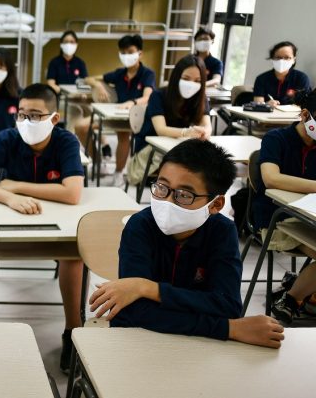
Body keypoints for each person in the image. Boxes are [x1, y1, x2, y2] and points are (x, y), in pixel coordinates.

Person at [90, 139, 285, 349]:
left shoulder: (222, 231)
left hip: (201, 348)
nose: (167, 202)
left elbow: (227, 306)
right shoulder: (140, 226)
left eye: (184, 195)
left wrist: (148, 288)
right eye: (162, 187)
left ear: (216, 204)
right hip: (137, 342)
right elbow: (136, 313)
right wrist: (229, 329)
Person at [0, 83, 84, 371]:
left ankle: (72, 332)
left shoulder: (65, 142)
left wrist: (16, 186)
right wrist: (8, 198)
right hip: (12, 221)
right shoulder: (7, 138)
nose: (27, 122)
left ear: (54, 118)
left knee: (75, 250)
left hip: (55, 223)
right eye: (22, 114)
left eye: (36, 115)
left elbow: (72, 193)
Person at [250, 89, 316, 324]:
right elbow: (271, 178)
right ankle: (290, 299)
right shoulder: (276, 139)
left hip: (309, 217)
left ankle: (302, 289)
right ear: (306, 115)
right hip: (276, 218)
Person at [81, 35, 156, 186]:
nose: (126, 56)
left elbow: (148, 97)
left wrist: (132, 102)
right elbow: (88, 79)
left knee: (123, 135)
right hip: (115, 115)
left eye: (130, 51)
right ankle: (98, 162)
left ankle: (118, 172)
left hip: (136, 117)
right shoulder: (119, 74)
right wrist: (99, 85)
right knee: (81, 126)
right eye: (123, 52)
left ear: (139, 53)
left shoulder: (147, 74)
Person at [127, 55, 211, 187]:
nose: (191, 84)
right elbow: (161, 129)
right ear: (176, 77)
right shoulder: (158, 96)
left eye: (197, 81)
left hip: (177, 145)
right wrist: (187, 132)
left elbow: (207, 125)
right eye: (186, 79)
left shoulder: (200, 98)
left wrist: (204, 132)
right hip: (151, 148)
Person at [253, 41, 310, 107]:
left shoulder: (301, 78)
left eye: (287, 57)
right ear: (272, 59)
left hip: (292, 116)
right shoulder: (261, 79)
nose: (281, 61)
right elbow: (257, 104)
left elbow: (305, 105)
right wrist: (266, 105)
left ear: (294, 60)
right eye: (278, 57)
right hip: (265, 115)